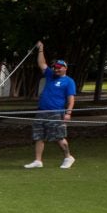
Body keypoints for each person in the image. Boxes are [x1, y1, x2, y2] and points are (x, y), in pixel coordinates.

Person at [25, 41, 76, 169]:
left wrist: (68, 113)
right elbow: (42, 64)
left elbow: (71, 99)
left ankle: (68, 157)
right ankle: (38, 161)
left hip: (56, 112)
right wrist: (41, 49)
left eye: (59, 67)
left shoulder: (69, 81)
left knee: (58, 137)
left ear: (65, 68)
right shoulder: (50, 76)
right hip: (42, 111)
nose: (56, 69)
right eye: (55, 67)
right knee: (39, 136)